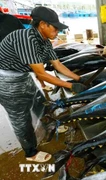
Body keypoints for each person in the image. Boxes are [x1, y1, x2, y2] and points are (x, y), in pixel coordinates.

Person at [0, 6, 88, 163]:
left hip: (22, 75)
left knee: (39, 102)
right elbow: (41, 73)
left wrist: (78, 79)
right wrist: (70, 86)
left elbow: (57, 65)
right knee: (21, 118)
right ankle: (30, 152)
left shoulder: (45, 40)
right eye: (55, 28)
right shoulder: (26, 38)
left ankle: (48, 125)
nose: (58, 32)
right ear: (42, 24)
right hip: (5, 79)